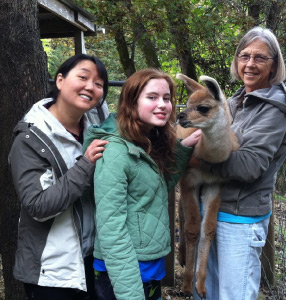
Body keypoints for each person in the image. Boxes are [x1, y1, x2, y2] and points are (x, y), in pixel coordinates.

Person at [193, 27, 286, 300]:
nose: (250, 64)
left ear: (274, 64)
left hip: (240, 220)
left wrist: (193, 159)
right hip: (214, 210)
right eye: (244, 56)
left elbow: (249, 166)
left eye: (260, 58)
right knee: (207, 293)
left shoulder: (276, 109)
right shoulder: (236, 101)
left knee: (234, 295)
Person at [83, 69, 201, 300]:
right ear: (131, 101)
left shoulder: (146, 141)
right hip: (123, 272)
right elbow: (112, 230)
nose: (162, 105)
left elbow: (154, 189)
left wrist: (183, 149)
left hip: (149, 266)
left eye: (167, 98)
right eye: (152, 97)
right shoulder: (115, 152)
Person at [8, 54, 110, 300]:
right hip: (52, 272)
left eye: (98, 84)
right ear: (61, 80)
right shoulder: (31, 138)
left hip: (92, 258)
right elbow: (38, 206)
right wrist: (85, 165)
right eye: (83, 77)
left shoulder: (96, 124)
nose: (90, 87)